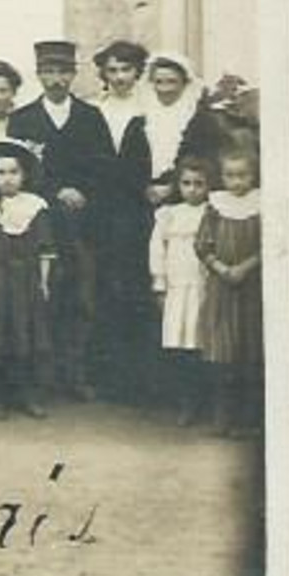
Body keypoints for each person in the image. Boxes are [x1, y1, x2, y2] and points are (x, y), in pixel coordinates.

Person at [6, 39, 111, 400]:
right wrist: (56, 192)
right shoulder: (22, 119)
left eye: (63, 72)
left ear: (73, 74)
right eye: (49, 72)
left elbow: (103, 167)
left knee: (81, 296)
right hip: (41, 221)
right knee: (42, 294)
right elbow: (19, 172)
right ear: (38, 75)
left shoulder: (90, 116)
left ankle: (76, 373)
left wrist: (82, 191)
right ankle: (42, 378)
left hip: (82, 222)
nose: (56, 79)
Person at [0, 139, 57, 420]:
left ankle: (27, 394)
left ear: (24, 175)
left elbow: (45, 247)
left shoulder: (35, 206)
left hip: (27, 278)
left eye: (13, 172)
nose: (7, 179)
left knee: (27, 332)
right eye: (1, 173)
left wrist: (44, 282)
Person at [89, 39, 156, 403]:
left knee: (137, 286)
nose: (119, 77)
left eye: (126, 69)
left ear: (137, 72)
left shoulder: (148, 109)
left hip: (137, 208)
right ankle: (109, 378)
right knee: (105, 285)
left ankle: (141, 379)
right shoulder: (95, 109)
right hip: (103, 209)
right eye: (112, 70)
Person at [195, 145, 263, 437]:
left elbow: (270, 244)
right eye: (230, 176)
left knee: (249, 353)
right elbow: (202, 244)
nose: (237, 182)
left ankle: (248, 422)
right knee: (223, 355)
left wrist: (244, 268)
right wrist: (222, 268)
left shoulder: (261, 205)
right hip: (222, 288)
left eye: (243, 175)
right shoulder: (215, 206)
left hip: (250, 288)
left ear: (253, 176)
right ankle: (222, 418)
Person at [150, 157, 214, 426]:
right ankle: (185, 403)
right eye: (186, 183)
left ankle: (206, 402)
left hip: (205, 288)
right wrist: (160, 285)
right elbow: (157, 250)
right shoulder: (169, 214)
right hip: (177, 288)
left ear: (209, 186)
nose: (192, 189)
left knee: (203, 345)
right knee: (180, 346)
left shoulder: (214, 213)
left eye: (199, 184)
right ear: (179, 185)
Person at [143, 53, 225, 205]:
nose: (165, 89)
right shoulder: (141, 118)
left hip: (188, 196)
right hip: (145, 195)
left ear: (185, 83)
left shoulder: (202, 120)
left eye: (172, 82)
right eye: (159, 82)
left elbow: (208, 162)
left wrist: (173, 186)